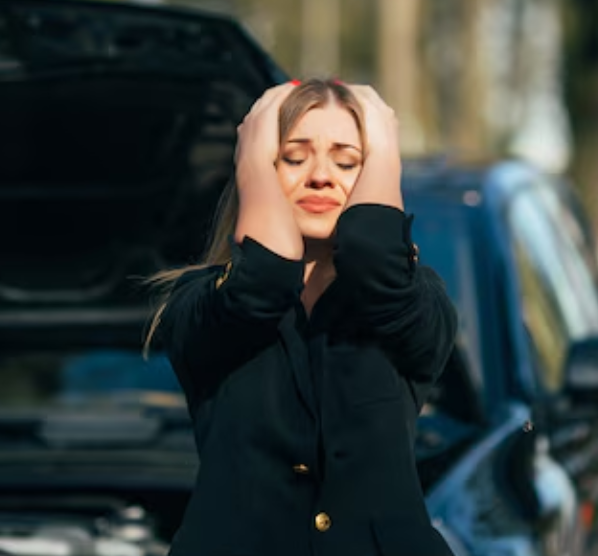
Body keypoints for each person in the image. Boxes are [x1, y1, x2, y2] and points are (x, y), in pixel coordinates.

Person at [143, 78, 459, 556]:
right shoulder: (198, 302)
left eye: (349, 161)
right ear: (261, 175)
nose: (320, 176)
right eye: (293, 157)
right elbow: (264, 279)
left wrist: (386, 145)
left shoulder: (415, 301)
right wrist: (250, 155)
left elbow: (373, 258)